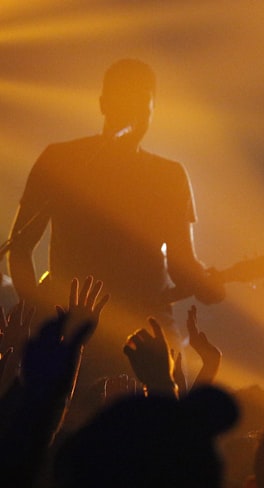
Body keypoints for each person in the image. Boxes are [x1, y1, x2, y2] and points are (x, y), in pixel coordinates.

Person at [6, 58, 224, 381]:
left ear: (152, 110)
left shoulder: (169, 175)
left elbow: (181, 266)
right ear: (103, 103)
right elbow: (20, 246)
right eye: (126, 102)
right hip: (84, 324)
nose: (135, 113)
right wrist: (38, 311)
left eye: (142, 104)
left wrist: (210, 286)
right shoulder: (61, 160)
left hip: (138, 328)